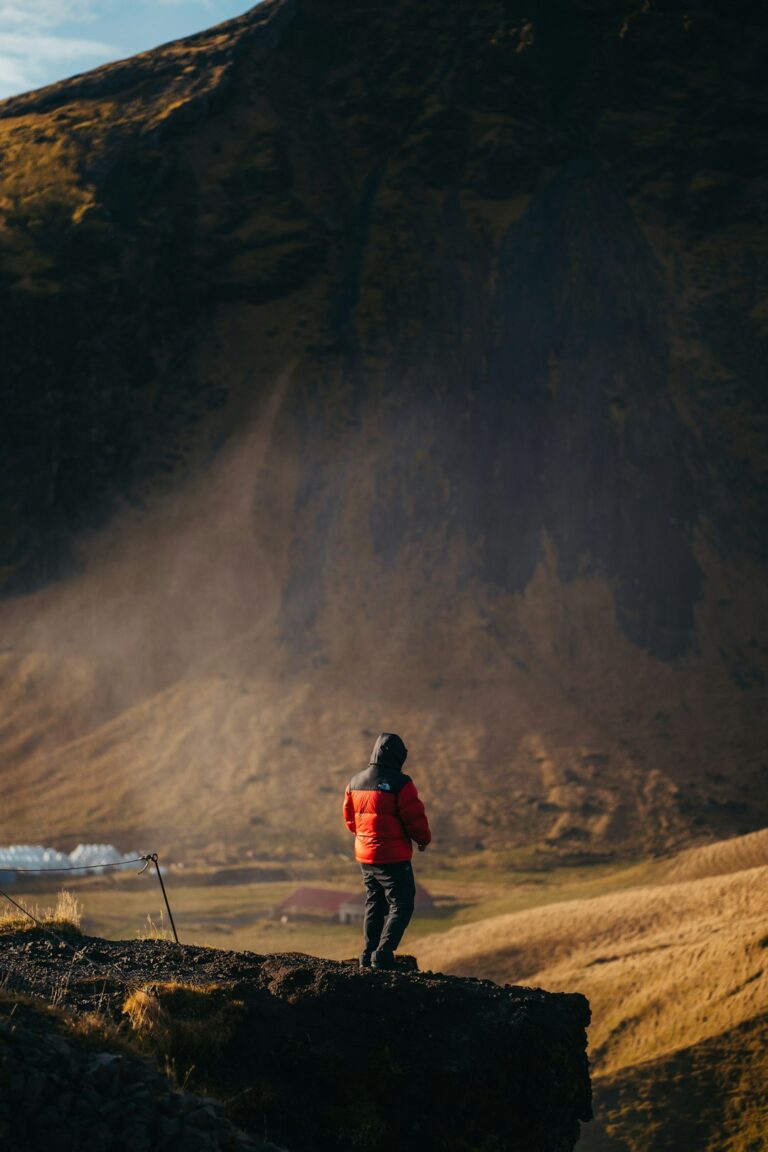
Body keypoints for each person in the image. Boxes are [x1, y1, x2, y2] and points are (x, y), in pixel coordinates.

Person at [343, 731, 432, 970]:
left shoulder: (354, 782)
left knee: (374, 902)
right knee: (402, 904)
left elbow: (350, 820)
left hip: (365, 856)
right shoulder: (401, 783)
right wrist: (423, 839)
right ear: (397, 756)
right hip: (393, 857)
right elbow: (414, 817)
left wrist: (364, 838)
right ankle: (383, 954)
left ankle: (367, 954)